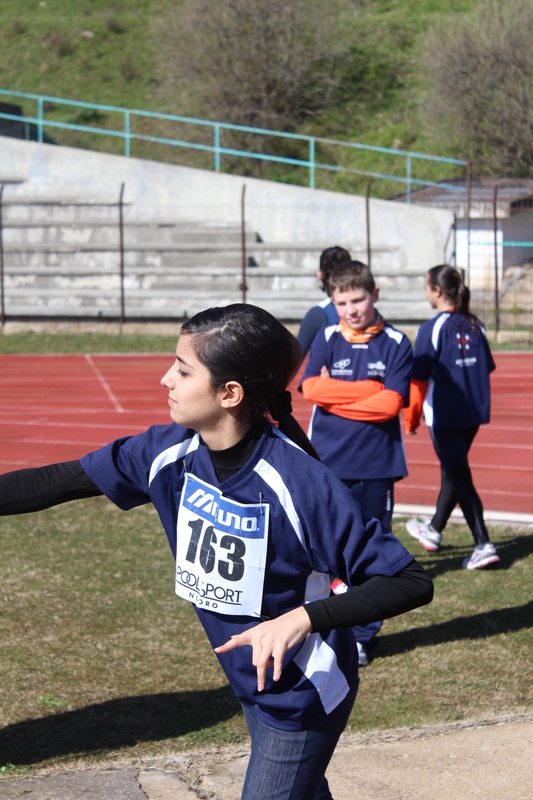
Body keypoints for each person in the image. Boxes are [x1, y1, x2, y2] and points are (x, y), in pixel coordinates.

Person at [0, 304, 433, 800]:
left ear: (230, 393)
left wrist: (300, 620)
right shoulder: (167, 453)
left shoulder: (299, 482)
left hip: (300, 695)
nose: (166, 379)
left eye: (183, 371)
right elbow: (61, 480)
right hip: (253, 680)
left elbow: (409, 580)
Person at [299, 262, 413, 666]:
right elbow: (311, 387)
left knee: (372, 550)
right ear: (333, 302)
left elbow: (390, 406)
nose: (351, 309)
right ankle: (324, 621)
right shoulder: (328, 337)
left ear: (375, 294)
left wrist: (338, 397)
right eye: (342, 301)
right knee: (321, 549)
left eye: (358, 299)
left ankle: (363, 636)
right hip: (327, 462)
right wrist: (368, 389)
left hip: (376, 465)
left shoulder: (398, 342)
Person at [404, 264, 500, 570]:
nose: (425, 292)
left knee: (460, 477)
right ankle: (433, 531)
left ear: (436, 291)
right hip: (472, 415)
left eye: (425, 286)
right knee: (452, 472)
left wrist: (412, 417)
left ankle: (483, 543)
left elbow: (418, 381)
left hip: (444, 416)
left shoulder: (431, 329)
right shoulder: (476, 325)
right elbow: (484, 368)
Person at [297, 246, 351, 362]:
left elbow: (293, 364)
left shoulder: (317, 315)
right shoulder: (368, 310)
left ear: (320, 275)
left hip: (327, 379)